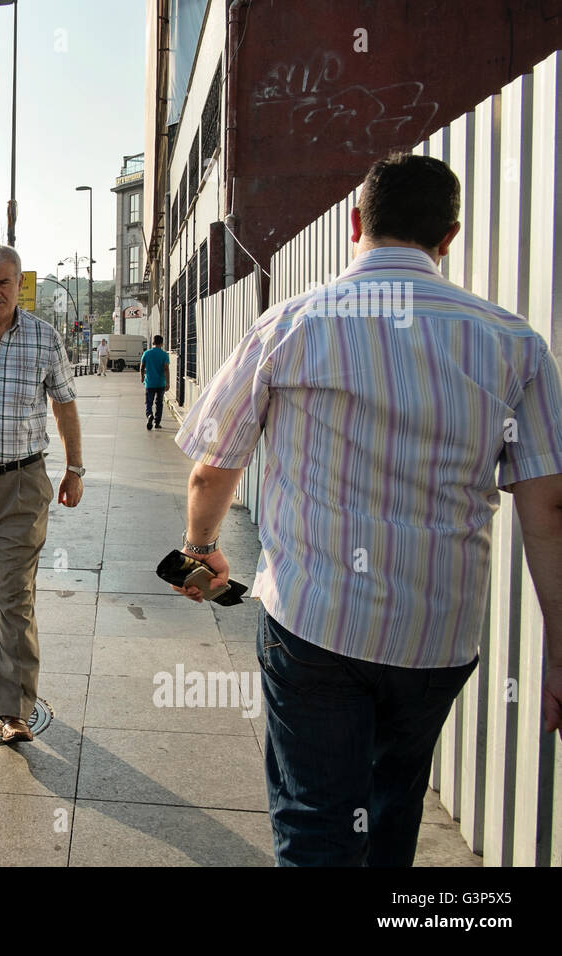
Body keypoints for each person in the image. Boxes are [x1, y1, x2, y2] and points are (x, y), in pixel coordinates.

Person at [172, 152, 562, 866]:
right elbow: (549, 506)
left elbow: (213, 467)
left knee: (319, 821)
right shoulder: (515, 344)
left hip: (314, 623)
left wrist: (201, 548)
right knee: (390, 810)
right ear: (449, 237)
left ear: (356, 223)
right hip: (437, 634)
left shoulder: (292, 324)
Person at [0, 245, 83, 743]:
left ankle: (13, 707)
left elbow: (64, 406)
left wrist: (74, 467)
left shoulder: (43, 337)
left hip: (23, 482)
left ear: (20, 284)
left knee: (14, 594)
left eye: (3, 284)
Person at [140, 334, 170, 430]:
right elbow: (166, 369)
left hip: (149, 383)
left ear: (153, 342)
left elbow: (142, 367)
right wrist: (167, 382)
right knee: (159, 403)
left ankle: (149, 415)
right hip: (160, 383)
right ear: (162, 343)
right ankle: (157, 422)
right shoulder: (164, 355)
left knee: (149, 402)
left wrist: (142, 377)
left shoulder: (147, 353)